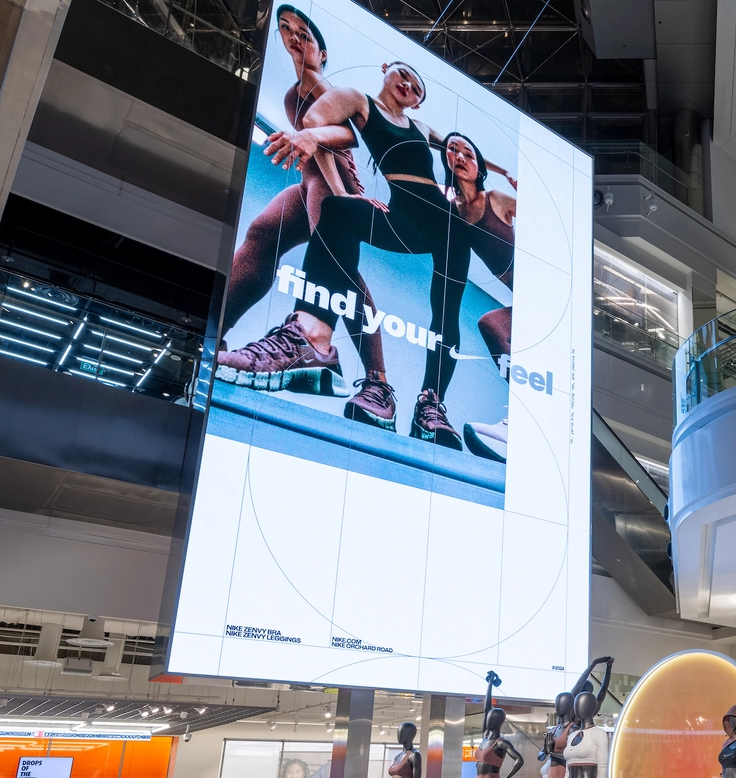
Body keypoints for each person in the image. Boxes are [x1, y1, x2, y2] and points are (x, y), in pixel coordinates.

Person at [249, 61, 516, 450]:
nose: (408, 83)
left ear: (420, 103)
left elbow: (460, 149)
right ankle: (313, 339)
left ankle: (431, 406)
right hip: (403, 217)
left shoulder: (423, 130)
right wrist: (339, 186)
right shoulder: (361, 102)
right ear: (387, 70)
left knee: (445, 315)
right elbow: (320, 125)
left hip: (446, 227)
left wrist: (504, 169)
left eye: (417, 85)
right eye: (404, 73)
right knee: (339, 213)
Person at [216, 7, 395, 427]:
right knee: (262, 234)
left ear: (323, 52)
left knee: (339, 270)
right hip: (309, 179)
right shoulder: (292, 93)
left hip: (333, 178)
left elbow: (349, 136)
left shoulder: (319, 84)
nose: (294, 38)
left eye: (305, 34)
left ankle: (378, 381)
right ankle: (216, 331)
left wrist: (337, 198)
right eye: (286, 31)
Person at [442, 132, 517, 462]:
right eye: (453, 152)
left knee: (492, 322)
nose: (460, 157)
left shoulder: (497, 199)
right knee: (491, 325)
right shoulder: (453, 209)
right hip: (523, 296)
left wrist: (506, 175)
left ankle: (525, 418)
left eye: (468, 154)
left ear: (479, 164)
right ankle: (523, 416)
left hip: (542, 293)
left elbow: (547, 222)